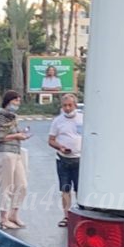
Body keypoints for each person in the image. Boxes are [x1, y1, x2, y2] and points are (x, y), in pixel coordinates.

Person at [0, 89, 30, 230]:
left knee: (22, 185)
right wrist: (17, 136)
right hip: (5, 153)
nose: (17, 103)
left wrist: (21, 134)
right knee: (6, 186)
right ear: (8, 101)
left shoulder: (13, 117)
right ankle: (3, 218)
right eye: (15, 100)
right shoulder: (2, 116)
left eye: (18, 100)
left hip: (16, 152)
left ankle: (14, 213)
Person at [48, 92, 83, 226]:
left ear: (75, 105)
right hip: (63, 160)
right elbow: (51, 140)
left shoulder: (83, 119)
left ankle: (81, 215)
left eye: (70, 105)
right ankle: (67, 216)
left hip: (79, 159)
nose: (67, 108)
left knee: (80, 190)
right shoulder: (58, 121)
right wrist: (60, 147)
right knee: (65, 189)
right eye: (64, 106)